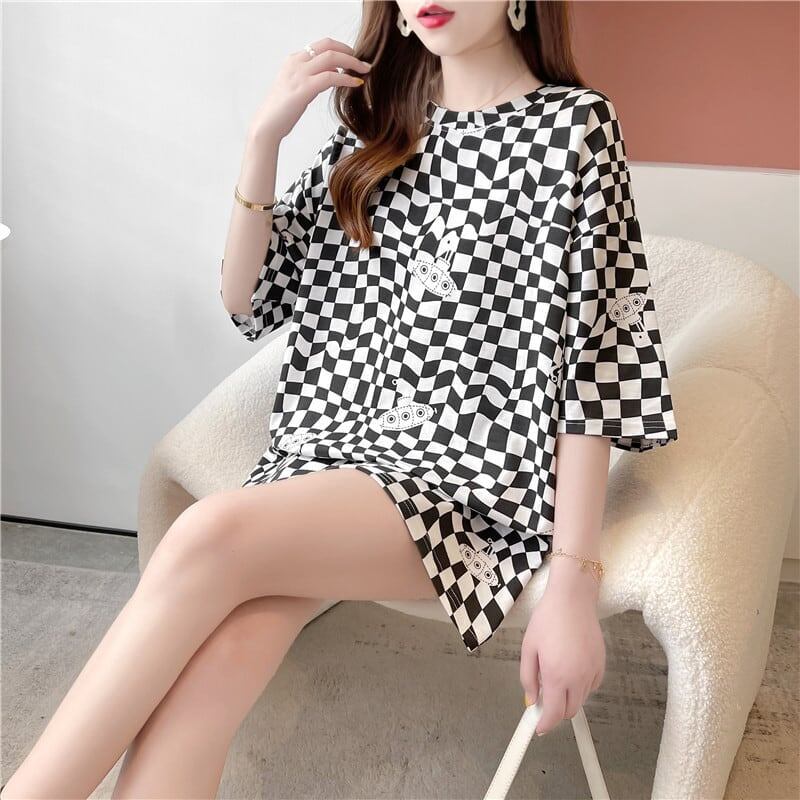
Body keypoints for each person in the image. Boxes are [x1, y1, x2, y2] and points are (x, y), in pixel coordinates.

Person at [1, 1, 679, 797]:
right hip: (325, 460)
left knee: (205, 534)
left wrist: (572, 583)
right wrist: (263, 139)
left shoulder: (575, 129)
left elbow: (596, 366)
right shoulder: (377, 130)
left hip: (466, 489)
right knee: (209, 678)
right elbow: (248, 299)